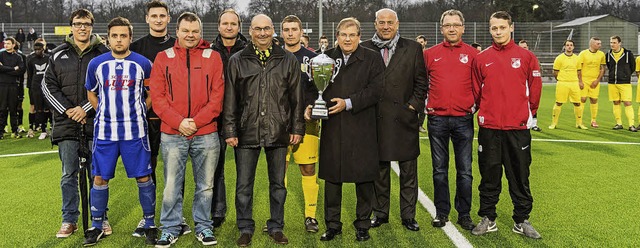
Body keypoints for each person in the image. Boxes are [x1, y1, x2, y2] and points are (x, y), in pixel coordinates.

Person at [223, 14, 304, 246]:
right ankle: (245, 227)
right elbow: (230, 99)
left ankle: (276, 226)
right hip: (246, 130)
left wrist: (297, 126)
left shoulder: (288, 59)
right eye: (257, 29)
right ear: (249, 31)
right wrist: (230, 129)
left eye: (266, 29)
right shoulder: (237, 60)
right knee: (243, 185)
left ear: (273, 31)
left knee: (278, 184)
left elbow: (296, 98)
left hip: (278, 130)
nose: (262, 33)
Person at [150, 12, 225, 247]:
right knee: (172, 184)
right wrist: (179, 122)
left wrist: (196, 122)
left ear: (200, 32)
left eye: (195, 31)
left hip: (206, 132)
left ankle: (203, 226)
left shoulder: (213, 57)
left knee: (206, 185)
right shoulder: (163, 57)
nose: (190, 35)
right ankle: (170, 228)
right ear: (178, 31)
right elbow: (158, 97)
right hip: (173, 133)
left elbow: (217, 97)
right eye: (185, 31)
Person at [82, 17, 157, 246]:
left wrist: (140, 111)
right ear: (108, 38)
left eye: (123, 35)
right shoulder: (97, 64)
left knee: (143, 176)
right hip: (105, 133)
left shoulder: (143, 63)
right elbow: (91, 93)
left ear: (130, 38)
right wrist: (103, 112)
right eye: (114, 35)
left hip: (135, 133)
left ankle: (149, 222)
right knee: (100, 177)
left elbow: (152, 92)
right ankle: (97, 225)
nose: (119, 39)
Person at [470, 11, 542, 239]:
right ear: (489, 29)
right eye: (494, 28)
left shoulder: (527, 57)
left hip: (517, 129)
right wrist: (487, 113)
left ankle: (521, 220)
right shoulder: (481, 59)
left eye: (502, 27)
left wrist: (530, 115)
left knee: (520, 176)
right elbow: (476, 91)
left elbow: (535, 89)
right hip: (489, 129)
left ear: (511, 27)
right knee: (489, 176)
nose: (498, 32)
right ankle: (488, 218)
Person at [314, 17, 384, 242]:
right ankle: (332, 225)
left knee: (364, 179)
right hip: (333, 127)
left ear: (359, 37)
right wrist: (313, 104)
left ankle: (362, 224)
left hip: (362, 126)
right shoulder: (324, 58)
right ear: (337, 36)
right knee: (332, 179)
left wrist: (349, 102)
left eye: (352, 35)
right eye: (343, 34)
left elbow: (376, 90)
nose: (347, 38)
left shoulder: (372, 58)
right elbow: (314, 87)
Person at [43, 8, 110, 238]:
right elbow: (47, 86)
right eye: (78, 23)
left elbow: (108, 87)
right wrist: (68, 110)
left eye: (87, 23)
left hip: (96, 124)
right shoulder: (57, 53)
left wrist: (86, 108)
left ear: (92, 26)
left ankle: (100, 217)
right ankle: (69, 219)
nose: (82, 27)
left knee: (97, 173)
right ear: (71, 26)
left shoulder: (104, 53)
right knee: (68, 174)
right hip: (66, 124)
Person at [361, 8, 427, 232]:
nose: (386, 26)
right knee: (379, 170)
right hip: (375, 119)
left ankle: (408, 215)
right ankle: (380, 213)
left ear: (397, 24)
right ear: (375, 24)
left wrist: (412, 107)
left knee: (409, 171)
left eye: (390, 22)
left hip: (403, 119)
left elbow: (421, 83)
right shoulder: (366, 48)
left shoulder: (413, 48)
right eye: (382, 22)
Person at [129, 1, 190, 238]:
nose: (157, 19)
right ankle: (149, 217)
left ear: (168, 19)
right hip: (146, 119)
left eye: (162, 16)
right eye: (153, 16)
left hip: (174, 119)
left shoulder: (180, 46)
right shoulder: (136, 48)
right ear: (146, 19)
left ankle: (177, 217)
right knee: (148, 168)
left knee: (175, 170)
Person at [422, 9, 477, 231]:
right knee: (439, 170)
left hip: (463, 118)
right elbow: (421, 83)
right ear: (441, 28)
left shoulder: (474, 55)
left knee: (465, 170)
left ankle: (464, 214)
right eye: (447, 25)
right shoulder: (430, 54)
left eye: (456, 24)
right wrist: (429, 105)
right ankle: (441, 212)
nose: (452, 28)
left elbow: (480, 85)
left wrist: (473, 106)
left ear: (463, 28)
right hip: (437, 119)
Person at [280, 14, 321, 233]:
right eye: (286, 29)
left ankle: (310, 217)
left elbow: (320, 90)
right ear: (282, 32)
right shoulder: (275, 57)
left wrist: (312, 105)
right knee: (280, 170)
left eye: (294, 29)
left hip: (307, 122)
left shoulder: (313, 59)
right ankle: (278, 218)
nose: (290, 33)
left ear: (301, 31)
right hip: (279, 124)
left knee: (308, 168)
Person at [209, 8, 248, 229]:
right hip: (216, 118)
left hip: (242, 119)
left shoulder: (248, 50)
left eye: (233, 23)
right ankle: (218, 211)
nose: (229, 27)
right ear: (219, 26)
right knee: (216, 169)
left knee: (244, 171)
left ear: (239, 26)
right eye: (225, 23)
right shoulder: (210, 50)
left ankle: (243, 216)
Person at [549, 40, 587, 130]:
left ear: (573, 47)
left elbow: (579, 71)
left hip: (574, 83)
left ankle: (579, 123)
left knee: (578, 103)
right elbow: (555, 72)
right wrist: (560, 79)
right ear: (564, 47)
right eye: (567, 45)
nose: (569, 47)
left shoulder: (577, 58)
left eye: (571, 45)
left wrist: (580, 81)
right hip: (563, 83)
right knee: (559, 102)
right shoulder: (559, 58)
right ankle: (554, 123)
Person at [605, 36, 636, 131]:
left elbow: (632, 67)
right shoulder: (608, 55)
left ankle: (631, 125)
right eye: (611, 42)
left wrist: (625, 76)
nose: (612, 44)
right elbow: (609, 66)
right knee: (616, 102)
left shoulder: (628, 54)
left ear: (619, 43)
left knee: (627, 102)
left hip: (625, 83)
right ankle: (619, 123)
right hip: (612, 83)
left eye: (614, 42)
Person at [577, 37, 605, 128]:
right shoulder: (583, 54)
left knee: (594, 99)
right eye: (598, 44)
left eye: (600, 43)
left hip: (595, 80)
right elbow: (579, 68)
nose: (600, 45)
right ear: (592, 44)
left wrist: (597, 80)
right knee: (582, 99)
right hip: (584, 80)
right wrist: (580, 81)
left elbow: (602, 68)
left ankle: (593, 120)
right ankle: (579, 121)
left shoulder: (601, 54)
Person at [0, 37, 25, 139]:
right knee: (2, 109)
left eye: (8, 43)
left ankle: (15, 131)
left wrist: (4, 69)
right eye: (5, 43)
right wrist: (12, 69)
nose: (6, 45)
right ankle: (0, 132)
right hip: (2, 85)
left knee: (13, 109)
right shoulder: (1, 55)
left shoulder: (18, 57)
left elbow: (21, 70)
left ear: (13, 45)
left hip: (14, 86)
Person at [26, 42, 49, 139]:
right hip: (36, 87)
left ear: (43, 49)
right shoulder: (31, 60)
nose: (37, 51)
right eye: (35, 49)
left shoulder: (48, 58)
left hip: (47, 86)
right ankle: (42, 129)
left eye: (39, 49)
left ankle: (50, 127)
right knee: (38, 108)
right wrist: (30, 88)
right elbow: (30, 75)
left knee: (48, 108)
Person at [518, 39, 542, 132]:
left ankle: (534, 124)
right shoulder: (516, 58)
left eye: (524, 47)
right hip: (521, 86)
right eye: (521, 48)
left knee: (533, 101)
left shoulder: (532, 58)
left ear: (528, 48)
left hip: (531, 84)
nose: (523, 49)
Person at [415, 34, 428, 133]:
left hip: (426, 84)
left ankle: (420, 125)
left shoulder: (428, 54)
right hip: (415, 84)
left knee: (424, 106)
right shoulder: (413, 54)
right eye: (418, 42)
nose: (420, 44)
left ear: (425, 43)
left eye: (422, 42)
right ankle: (414, 124)